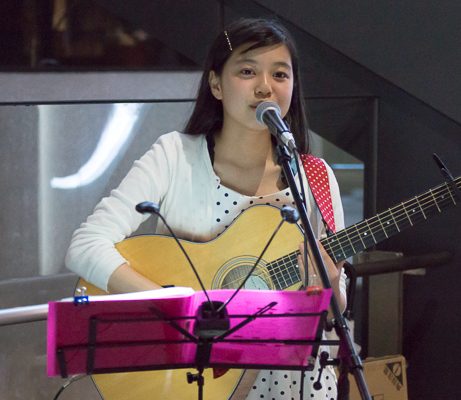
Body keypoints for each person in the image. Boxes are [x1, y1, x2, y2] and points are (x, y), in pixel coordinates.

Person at [66, 18, 346, 400]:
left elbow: (334, 311)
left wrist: (330, 289)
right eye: (247, 71)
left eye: (280, 74)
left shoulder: (315, 177)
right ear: (215, 83)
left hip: (298, 385)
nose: (266, 86)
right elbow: (86, 245)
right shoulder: (175, 156)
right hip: (199, 380)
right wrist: (178, 307)